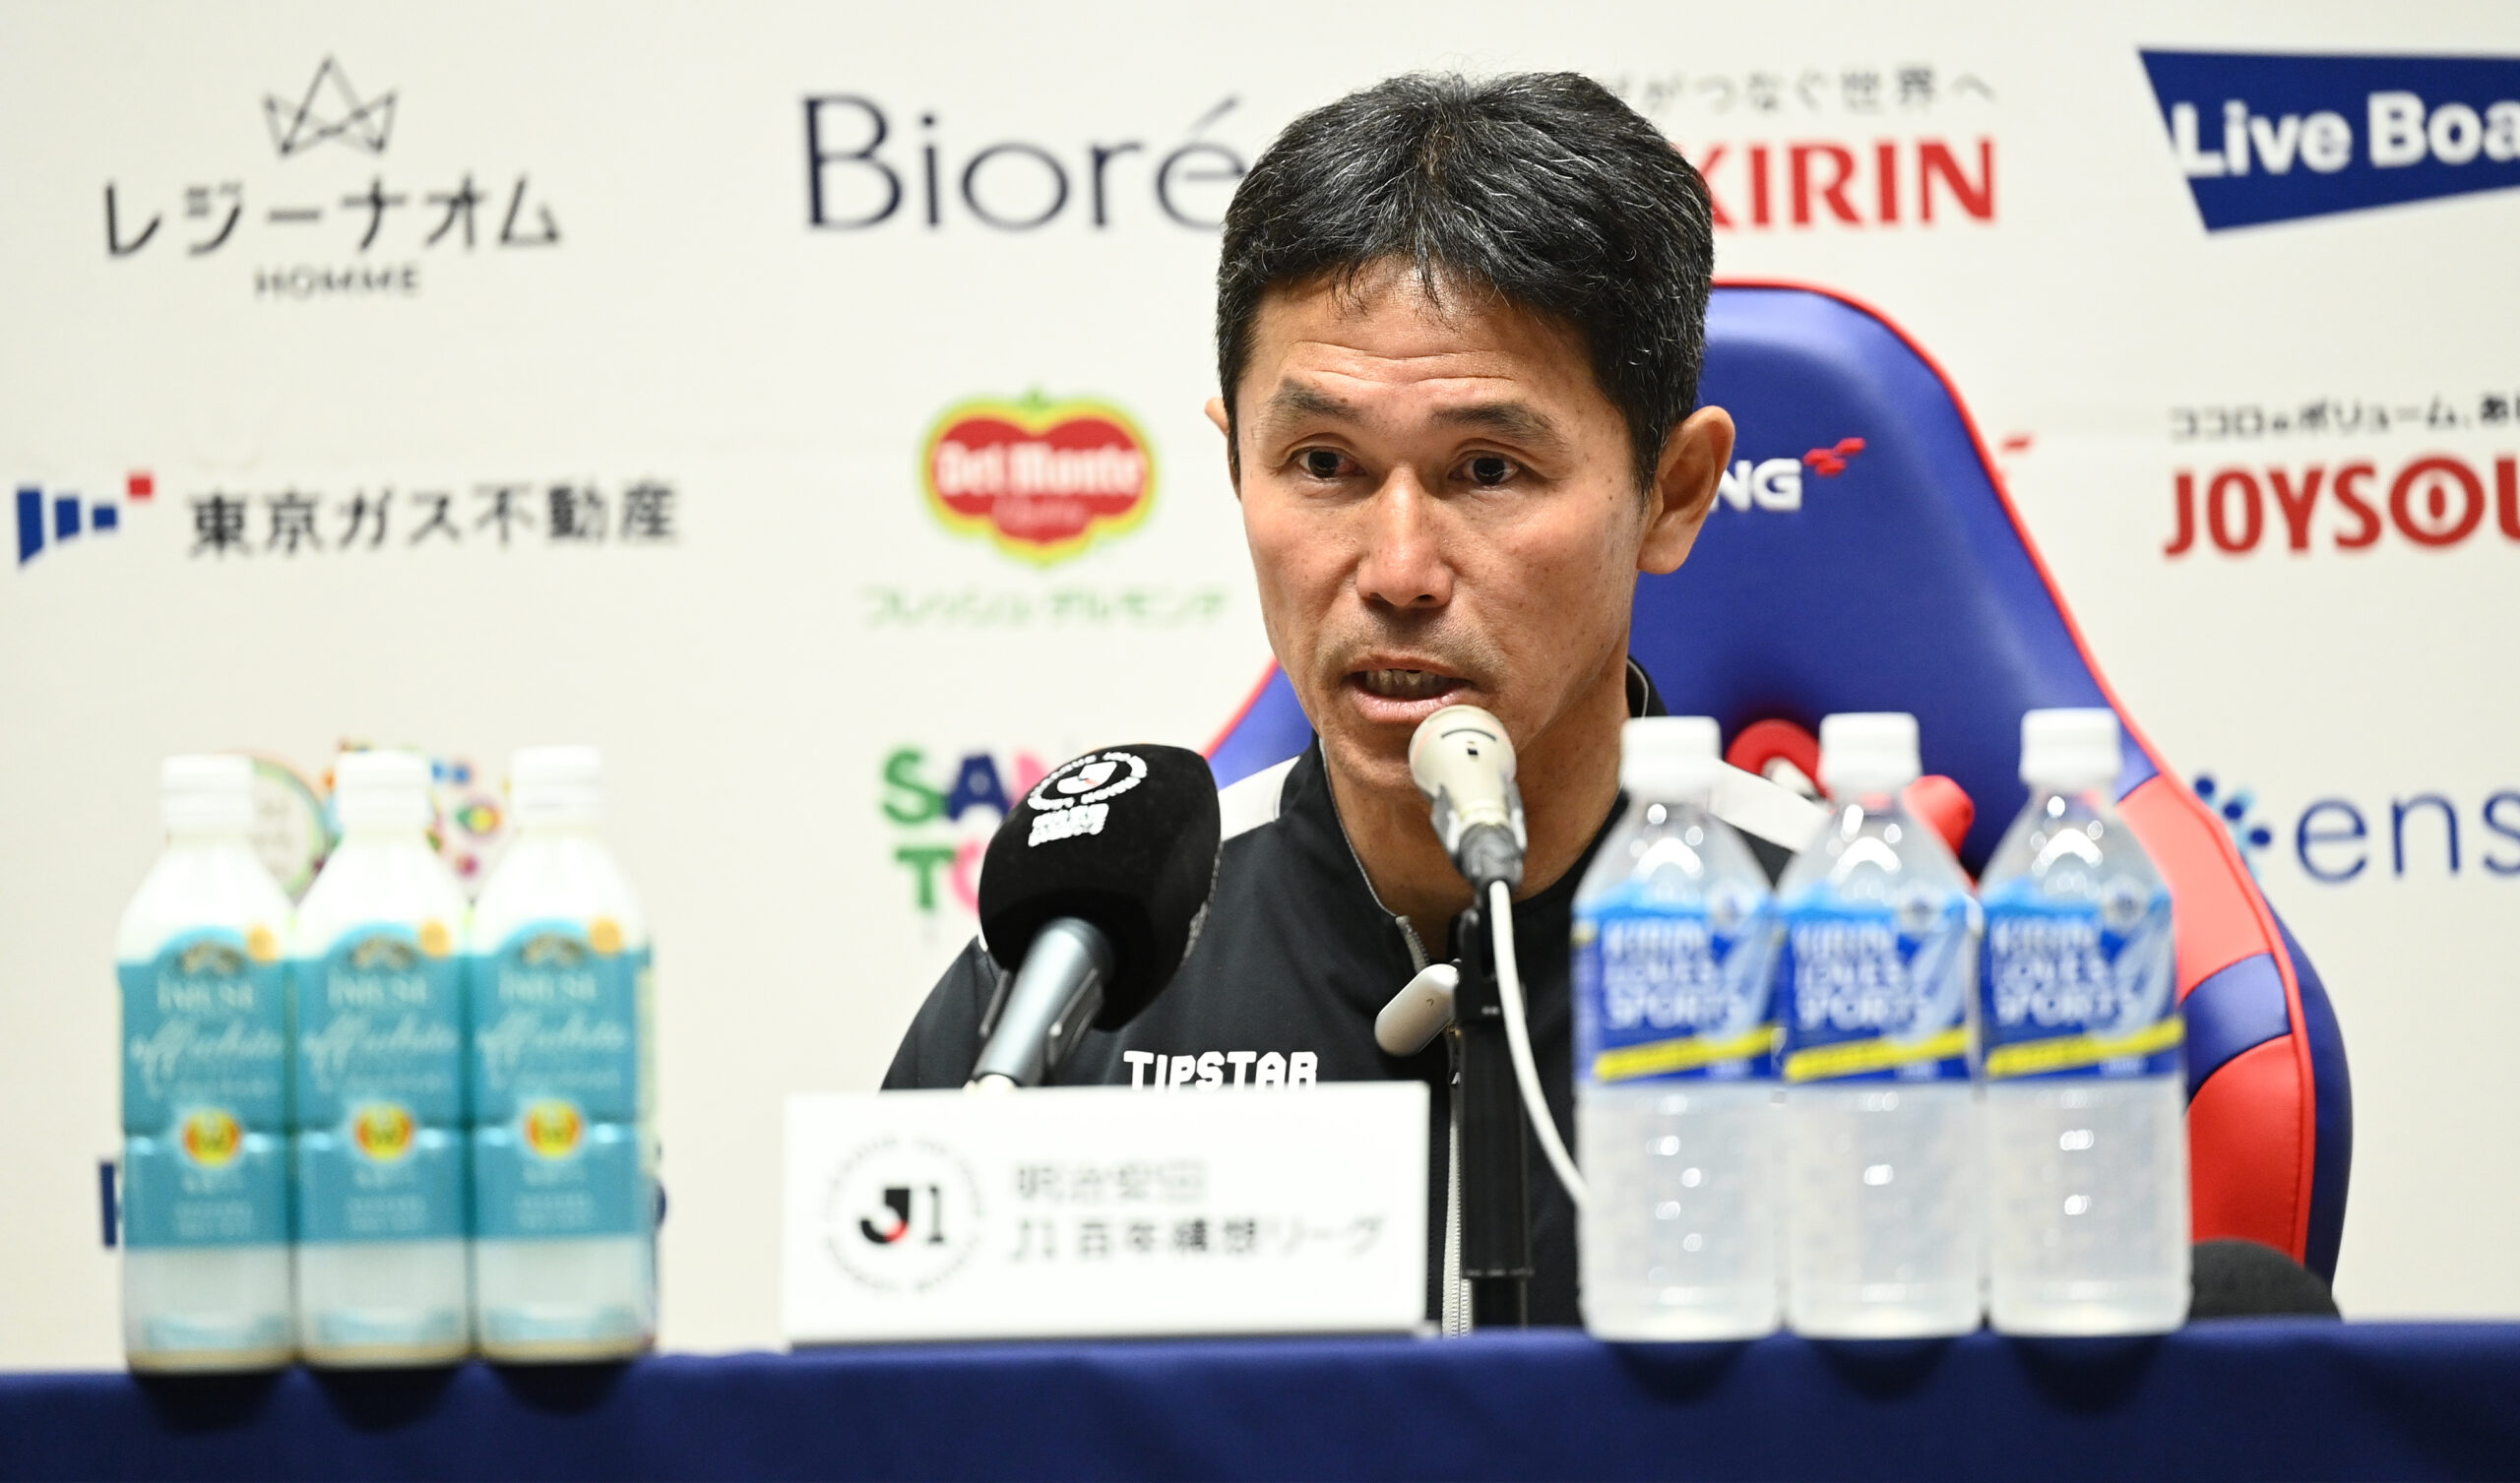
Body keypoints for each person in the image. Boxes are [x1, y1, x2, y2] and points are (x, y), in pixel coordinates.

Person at [884, 71, 1732, 1329]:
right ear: (1236, 462)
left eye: (1488, 470)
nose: (1398, 571)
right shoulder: (1080, 969)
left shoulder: (1860, 964)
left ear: (1674, 490)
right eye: (1322, 463)